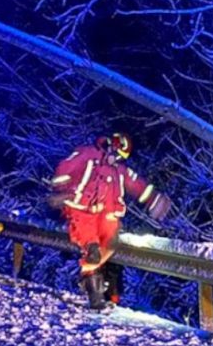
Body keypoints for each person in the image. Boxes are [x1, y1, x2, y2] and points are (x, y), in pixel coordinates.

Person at [49, 133, 171, 310]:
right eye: (119, 155)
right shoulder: (88, 154)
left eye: (122, 158)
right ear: (113, 146)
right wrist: (61, 190)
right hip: (82, 210)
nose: (118, 160)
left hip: (108, 214)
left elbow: (136, 184)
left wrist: (154, 199)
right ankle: (95, 296)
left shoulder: (120, 171)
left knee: (110, 244)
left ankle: (89, 278)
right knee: (92, 248)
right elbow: (65, 168)